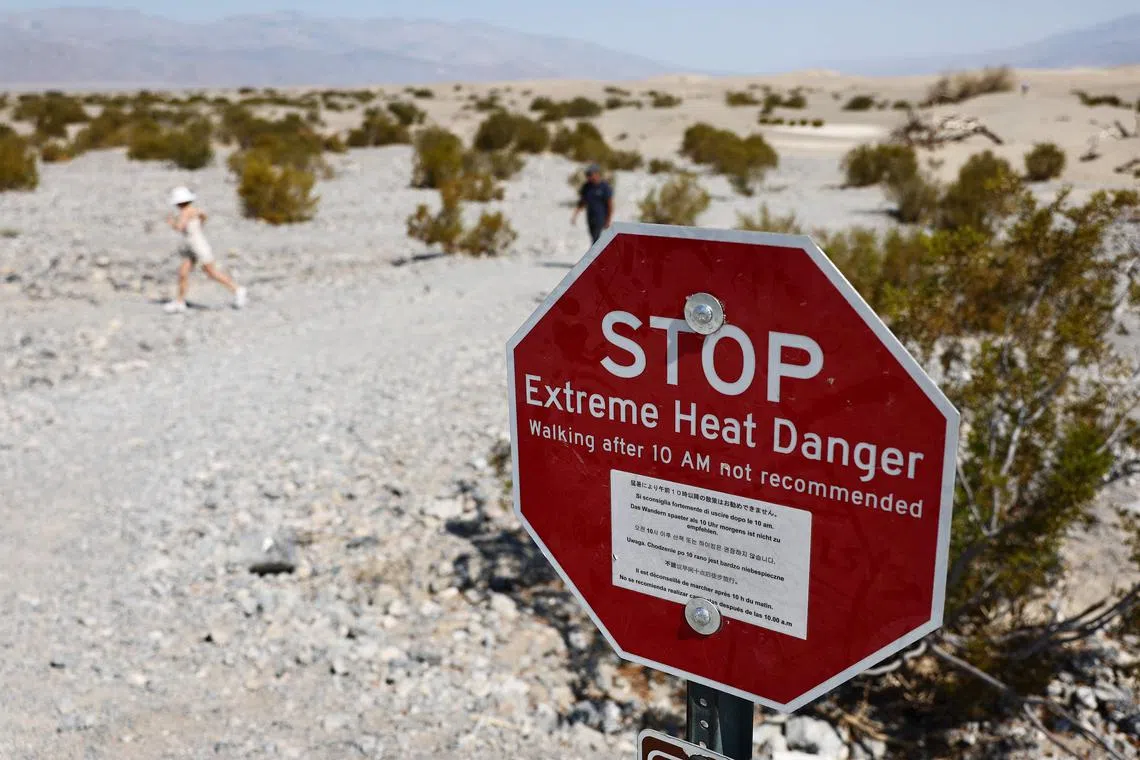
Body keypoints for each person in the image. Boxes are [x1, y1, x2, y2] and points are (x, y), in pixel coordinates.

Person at [163, 186, 247, 313]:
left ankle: (237, 290)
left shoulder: (186, 212)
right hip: (191, 246)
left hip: (198, 246)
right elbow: (204, 216)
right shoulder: (194, 210)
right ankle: (180, 301)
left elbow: (180, 227)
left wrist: (171, 223)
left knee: (211, 271)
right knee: (183, 273)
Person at [571, 163, 613, 245]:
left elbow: (610, 204)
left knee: (596, 239)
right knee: (593, 238)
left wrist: (608, 219)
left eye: (590, 174)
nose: (588, 177)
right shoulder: (586, 186)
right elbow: (582, 202)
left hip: (600, 217)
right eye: (587, 175)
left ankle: (595, 252)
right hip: (590, 217)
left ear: (597, 174)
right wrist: (575, 215)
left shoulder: (604, 187)